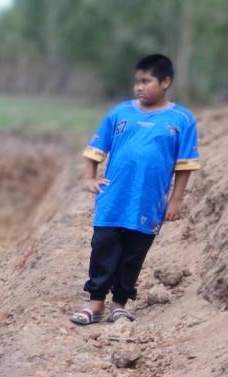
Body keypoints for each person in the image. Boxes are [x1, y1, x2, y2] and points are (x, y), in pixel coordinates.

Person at [72, 53, 200, 325]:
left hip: (149, 200)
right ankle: (95, 302)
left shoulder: (182, 120)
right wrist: (89, 178)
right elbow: (95, 149)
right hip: (113, 197)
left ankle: (120, 303)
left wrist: (175, 200)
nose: (139, 87)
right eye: (136, 82)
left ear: (165, 82)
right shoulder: (120, 113)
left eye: (146, 81)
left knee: (134, 252)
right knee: (103, 245)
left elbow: (185, 165)